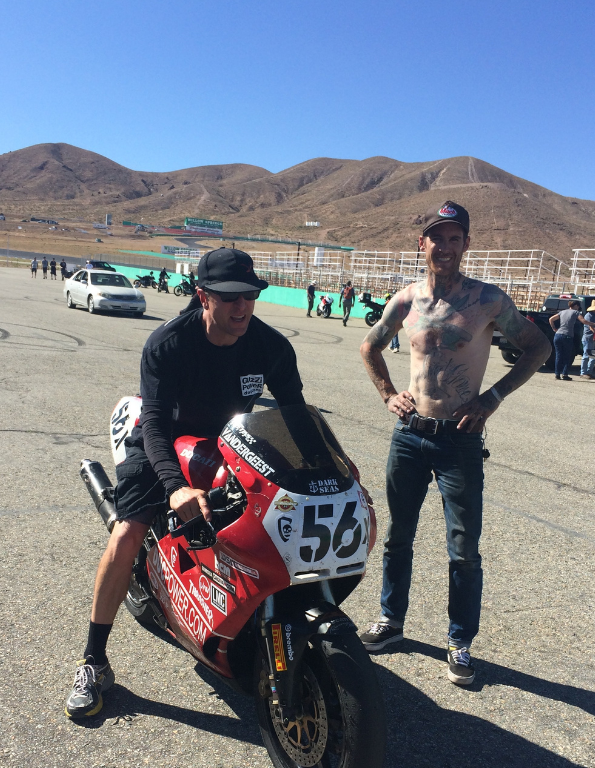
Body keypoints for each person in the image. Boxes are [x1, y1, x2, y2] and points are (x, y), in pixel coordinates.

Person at [65, 248, 302, 721]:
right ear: (202, 296)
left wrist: (325, 473)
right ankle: (93, 660)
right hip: (163, 445)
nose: (242, 308)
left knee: (273, 521)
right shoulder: (168, 344)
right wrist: (174, 487)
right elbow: (152, 424)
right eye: (229, 298)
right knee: (129, 531)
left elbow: (295, 415)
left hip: (228, 445)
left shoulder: (271, 346)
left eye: (250, 296)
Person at [357, 202, 549, 685]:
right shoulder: (405, 301)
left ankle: (460, 642)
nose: (444, 247)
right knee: (399, 536)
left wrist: (494, 396)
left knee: (463, 546)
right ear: (420, 244)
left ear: (466, 244)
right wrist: (388, 395)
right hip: (410, 436)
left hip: (459, 442)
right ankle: (391, 621)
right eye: (435, 237)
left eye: (454, 238)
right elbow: (369, 345)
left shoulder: (487, 300)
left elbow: (539, 346)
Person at [549, 297, 582, 381]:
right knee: (568, 356)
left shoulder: (562, 312)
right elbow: (583, 321)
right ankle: (565, 373)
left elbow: (551, 319)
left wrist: (554, 328)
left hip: (558, 334)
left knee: (558, 355)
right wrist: (594, 324)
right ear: (576, 306)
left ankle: (557, 374)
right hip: (567, 335)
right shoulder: (576, 312)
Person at [579, 300, 595, 381]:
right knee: (586, 355)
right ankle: (583, 372)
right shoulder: (588, 315)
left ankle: (589, 372)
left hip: (594, 338)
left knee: (594, 356)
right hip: (588, 337)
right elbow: (590, 326)